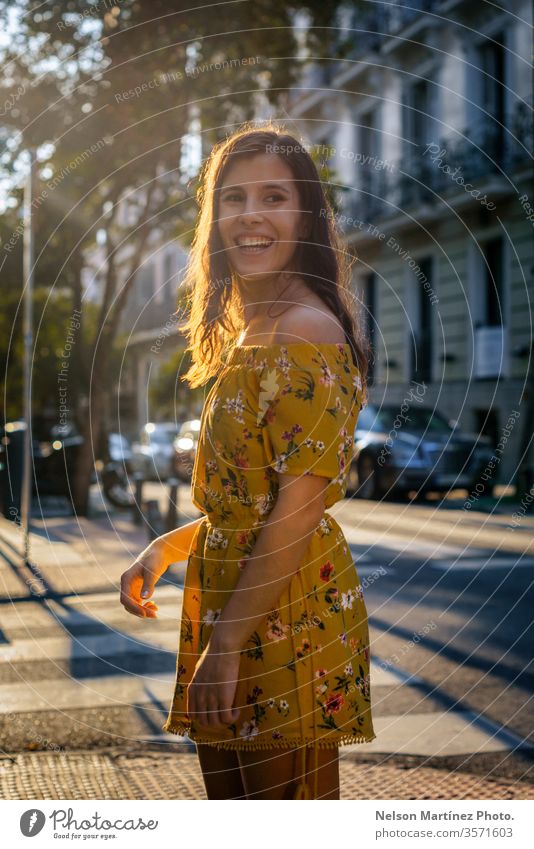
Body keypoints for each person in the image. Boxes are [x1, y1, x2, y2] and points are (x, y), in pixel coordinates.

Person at [120, 123, 376, 800]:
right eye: (233, 198)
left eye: (273, 196)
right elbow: (250, 500)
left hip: (281, 613)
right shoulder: (257, 328)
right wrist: (166, 548)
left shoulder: (306, 331)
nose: (250, 214)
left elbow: (299, 508)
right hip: (237, 602)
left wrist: (227, 643)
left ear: (306, 217)